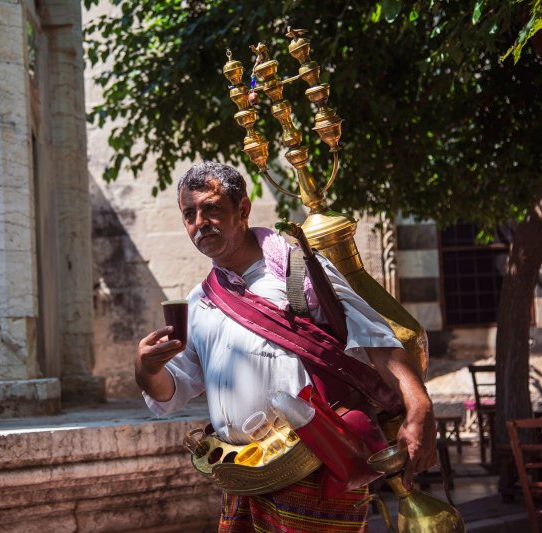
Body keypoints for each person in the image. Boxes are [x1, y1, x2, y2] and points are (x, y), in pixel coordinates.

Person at [135, 161, 437, 532]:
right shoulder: (200, 301)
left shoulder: (296, 270)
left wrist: (420, 406)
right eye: (189, 214)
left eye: (212, 208)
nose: (200, 222)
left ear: (242, 209)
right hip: (242, 475)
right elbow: (172, 391)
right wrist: (147, 369)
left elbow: (377, 339)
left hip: (315, 467)